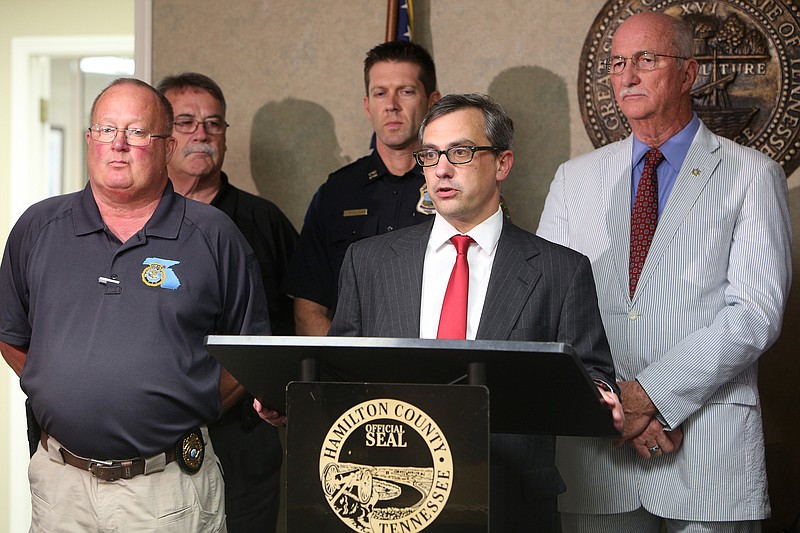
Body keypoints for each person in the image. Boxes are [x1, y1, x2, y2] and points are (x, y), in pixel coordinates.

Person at [265, 93, 623, 532]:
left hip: (509, 500)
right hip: (393, 500)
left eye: (460, 152)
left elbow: (593, 373)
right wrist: (295, 401)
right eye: (430, 155)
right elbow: (342, 372)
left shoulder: (560, 270)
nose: (441, 169)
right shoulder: (368, 261)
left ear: (502, 163)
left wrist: (602, 393)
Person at [537, 12, 791, 532]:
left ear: (689, 72)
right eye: (616, 63)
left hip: (708, 455)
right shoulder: (573, 180)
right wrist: (611, 405)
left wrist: (647, 396)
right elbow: (548, 310)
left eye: (646, 60)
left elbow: (755, 315)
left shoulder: (752, 176)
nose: (627, 76)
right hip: (598, 458)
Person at [0, 78, 270, 532]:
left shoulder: (213, 234)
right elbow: (12, 335)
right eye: (105, 129)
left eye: (138, 132)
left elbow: (248, 354)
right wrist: (63, 387)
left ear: (166, 147)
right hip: (61, 486)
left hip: (167, 489)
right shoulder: (38, 227)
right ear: (90, 140)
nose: (118, 144)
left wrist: (186, 403)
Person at [158, 72, 297, 533]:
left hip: (244, 434)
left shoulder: (265, 221)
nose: (202, 133)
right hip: (153, 436)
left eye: (214, 123)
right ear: (161, 134)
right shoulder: (135, 222)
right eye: (186, 121)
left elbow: (298, 318)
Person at [283, 40, 441, 335]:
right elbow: (308, 308)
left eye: (406, 92)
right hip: (350, 374)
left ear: (432, 102)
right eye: (380, 93)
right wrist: (349, 369)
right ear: (368, 106)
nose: (391, 105)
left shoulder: (454, 184)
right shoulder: (336, 192)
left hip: (436, 369)